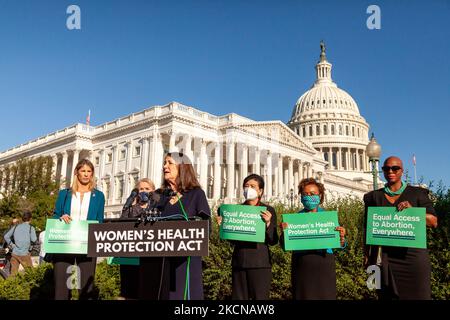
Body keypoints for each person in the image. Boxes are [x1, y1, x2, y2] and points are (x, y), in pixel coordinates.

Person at [363, 156, 438, 300]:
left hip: (413, 258)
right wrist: (366, 255)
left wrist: (412, 212)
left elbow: (433, 222)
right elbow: (368, 229)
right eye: (386, 169)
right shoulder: (373, 197)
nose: (390, 171)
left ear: (402, 171)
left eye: (395, 168)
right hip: (385, 259)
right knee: (386, 296)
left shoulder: (417, 194)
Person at [140, 152, 211, 300]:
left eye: (169, 163)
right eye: (164, 163)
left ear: (182, 167)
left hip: (186, 261)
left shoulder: (197, 194)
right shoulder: (161, 196)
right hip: (162, 261)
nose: (165, 166)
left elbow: (206, 227)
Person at [280, 178, 346, 300]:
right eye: (305, 194)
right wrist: (284, 233)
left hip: (324, 264)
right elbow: (284, 246)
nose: (309, 196)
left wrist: (341, 238)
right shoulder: (294, 219)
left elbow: (340, 245)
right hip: (302, 265)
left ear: (320, 196)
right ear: (301, 196)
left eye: (313, 194)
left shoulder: (328, 218)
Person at [217, 174, 278, 300]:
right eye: (246, 186)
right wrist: (224, 226)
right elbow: (232, 240)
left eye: (252, 186)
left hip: (260, 264)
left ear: (260, 191)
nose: (248, 189)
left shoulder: (268, 210)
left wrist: (268, 224)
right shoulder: (236, 211)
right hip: (239, 262)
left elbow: (273, 240)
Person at [52, 158, 105, 300]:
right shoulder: (64, 194)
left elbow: (100, 220)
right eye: (83, 171)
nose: (86, 174)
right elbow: (55, 215)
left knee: (86, 290)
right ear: (77, 173)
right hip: (65, 244)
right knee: (61, 290)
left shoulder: (99, 196)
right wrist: (61, 217)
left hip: (87, 244)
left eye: (89, 171)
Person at [119, 178, 156, 299]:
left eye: (147, 189)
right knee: (130, 291)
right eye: (141, 189)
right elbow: (120, 224)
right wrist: (132, 205)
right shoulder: (130, 207)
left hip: (150, 256)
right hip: (130, 257)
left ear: (152, 191)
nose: (144, 191)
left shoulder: (156, 208)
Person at [4, 211, 37, 276]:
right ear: (30, 219)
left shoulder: (16, 227)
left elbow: (6, 236)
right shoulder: (31, 228)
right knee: (31, 274)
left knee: (13, 274)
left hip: (14, 253)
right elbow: (34, 239)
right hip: (25, 254)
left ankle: (10, 286)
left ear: (22, 219)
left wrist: (12, 245)